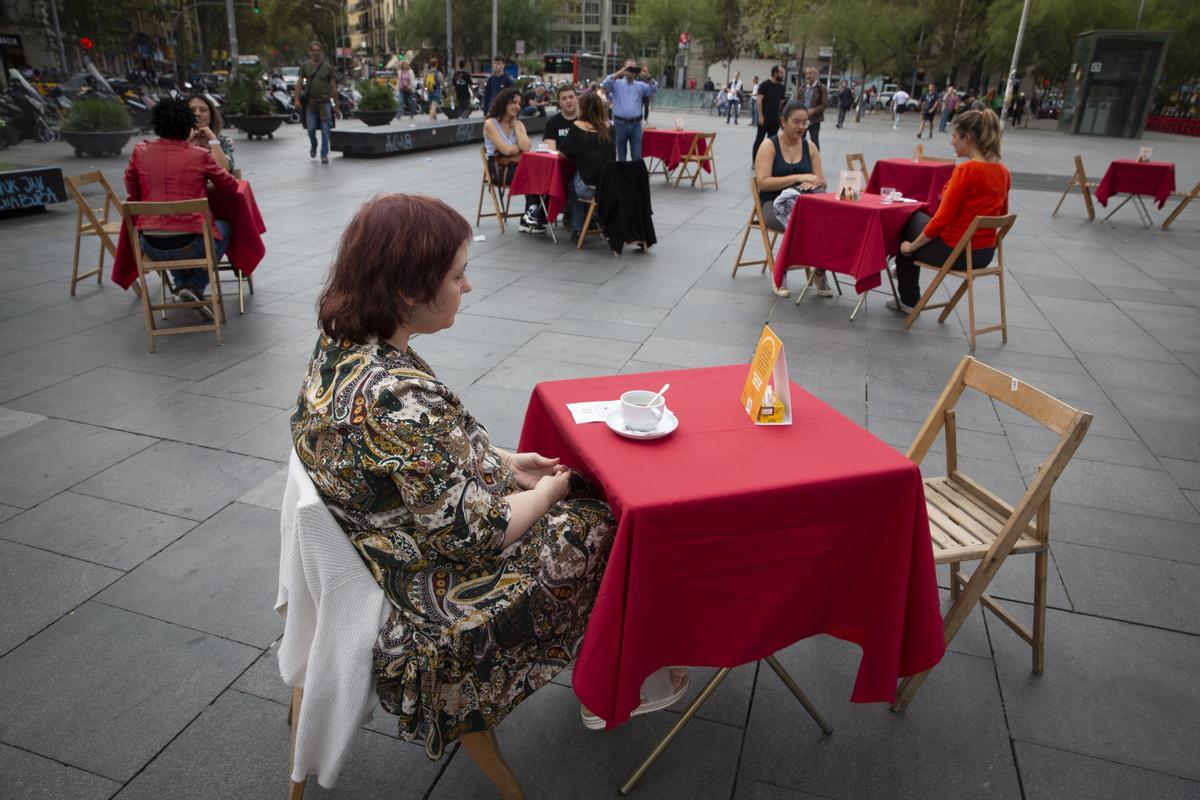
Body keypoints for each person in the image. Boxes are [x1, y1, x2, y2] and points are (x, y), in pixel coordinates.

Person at [291, 193, 649, 758]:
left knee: (573, 489)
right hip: (433, 617)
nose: (469, 286)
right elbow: (479, 534)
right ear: (410, 291)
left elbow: (414, 461)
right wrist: (552, 489)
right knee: (604, 520)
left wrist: (505, 462)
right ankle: (617, 668)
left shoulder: (344, 350)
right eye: (458, 275)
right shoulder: (395, 396)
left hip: (391, 548)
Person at [124, 97, 238, 318]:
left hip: (150, 245)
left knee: (170, 232)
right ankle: (195, 285)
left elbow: (132, 191)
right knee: (223, 228)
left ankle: (181, 285)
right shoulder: (199, 155)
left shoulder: (140, 151)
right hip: (191, 244)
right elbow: (230, 188)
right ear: (188, 124)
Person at [890, 109, 1009, 313]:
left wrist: (911, 247)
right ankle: (901, 267)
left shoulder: (966, 171)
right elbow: (1001, 214)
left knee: (908, 222)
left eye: (954, 136)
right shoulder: (1003, 171)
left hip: (955, 252)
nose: (951, 142)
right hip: (984, 253)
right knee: (918, 220)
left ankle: (908, 293)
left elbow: (941, 220)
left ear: (968, 138)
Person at [754, 99, 828, 299]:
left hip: (804, 203)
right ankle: (780, 273)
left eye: (805, 122)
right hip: (773, 204)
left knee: (827, 220)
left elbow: (823, 182)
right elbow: (763, 183)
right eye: (796, 122)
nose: (802, 127)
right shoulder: (769, 146)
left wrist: (814, 183)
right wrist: (797, 177)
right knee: (799, 221)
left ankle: (820, 271)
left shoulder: (810, 147)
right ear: (783, 121)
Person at [483, 88, 544, 234]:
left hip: (517, 165)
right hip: (498, 167)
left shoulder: (519, 125)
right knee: (529, 171)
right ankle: (530, 216)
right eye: (512, 103)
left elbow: (527, 147)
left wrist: (515, 126)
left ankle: (530, 215)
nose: (517, 106)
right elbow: (505, 150)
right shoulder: (490, 123)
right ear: (504, 103)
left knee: (537, 171)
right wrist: (517, 148)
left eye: (518, 103)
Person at [557, 91, 616, 244]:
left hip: (589, 188)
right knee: (583, 175)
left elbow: (562, 153)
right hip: (610, 186)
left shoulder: (578, 126)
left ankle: (577, 229)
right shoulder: (610, 128)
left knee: (572, 185)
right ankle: (592, 221)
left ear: (583, 108)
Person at [603, 58, 657, 161]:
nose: (631, 71)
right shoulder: (616, 83)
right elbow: (605, 84)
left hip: (636, 124)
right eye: (629, 68)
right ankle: (623, 177)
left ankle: (635, 177)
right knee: (621, 156)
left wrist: (648, 76)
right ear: (624, 68)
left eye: (633, 68)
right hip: (620, 124)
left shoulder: (640, 86)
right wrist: (620, 72)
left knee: (637, 156)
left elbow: (654, 89)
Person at [294, 41, 337, 164]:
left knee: (325, 130)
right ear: (310, 52)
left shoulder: (328, 68)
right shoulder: (305, 67)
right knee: (310, 129)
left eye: (318, 50)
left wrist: (337, 104)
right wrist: (296, 99)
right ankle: (314, 144)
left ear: (321, 52)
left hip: (325, 103)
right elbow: (299, 83)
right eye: (314, 50)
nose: (316, 52)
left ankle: (324, 154)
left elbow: (333, 86)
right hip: (311, 104)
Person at [187, 93, 234, 173]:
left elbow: (223, 171)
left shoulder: (223, 141)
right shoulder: (177, 140)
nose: (197, 114)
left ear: (211, 116)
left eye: (203, 110)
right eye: (192, 110)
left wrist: (212, 139)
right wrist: (187, 142)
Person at [753, 65, 786, 164]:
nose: (782, 75)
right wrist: (760, 116)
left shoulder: (781, 87)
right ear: (775, 73)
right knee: (759, 139)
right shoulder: (764, 85)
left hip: (775, 119)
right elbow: (759, 101)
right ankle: (755, 161)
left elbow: (781, 103)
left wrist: (780, 117)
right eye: (781, 73)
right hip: (764, 117)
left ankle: (768, 162)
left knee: (772, 142)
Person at [796, 66, 828, 149]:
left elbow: (824, 104)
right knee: (799, 139)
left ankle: (815, 159)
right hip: (802, 119)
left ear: (815, 75)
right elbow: (797, 101)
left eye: (810, 73)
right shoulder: (802, 88)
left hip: (814, 119)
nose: (808, 76)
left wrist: (813, 110)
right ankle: (800, 158)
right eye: (806, 74)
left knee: (814, 140)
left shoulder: (821, 87)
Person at [543, 84, 579, 149]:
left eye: (571, 97)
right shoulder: (552, 123)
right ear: (559, 103)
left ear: (577, 99)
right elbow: (550, 152)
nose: (568, 101)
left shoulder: (586, 119)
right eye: (564, 98)